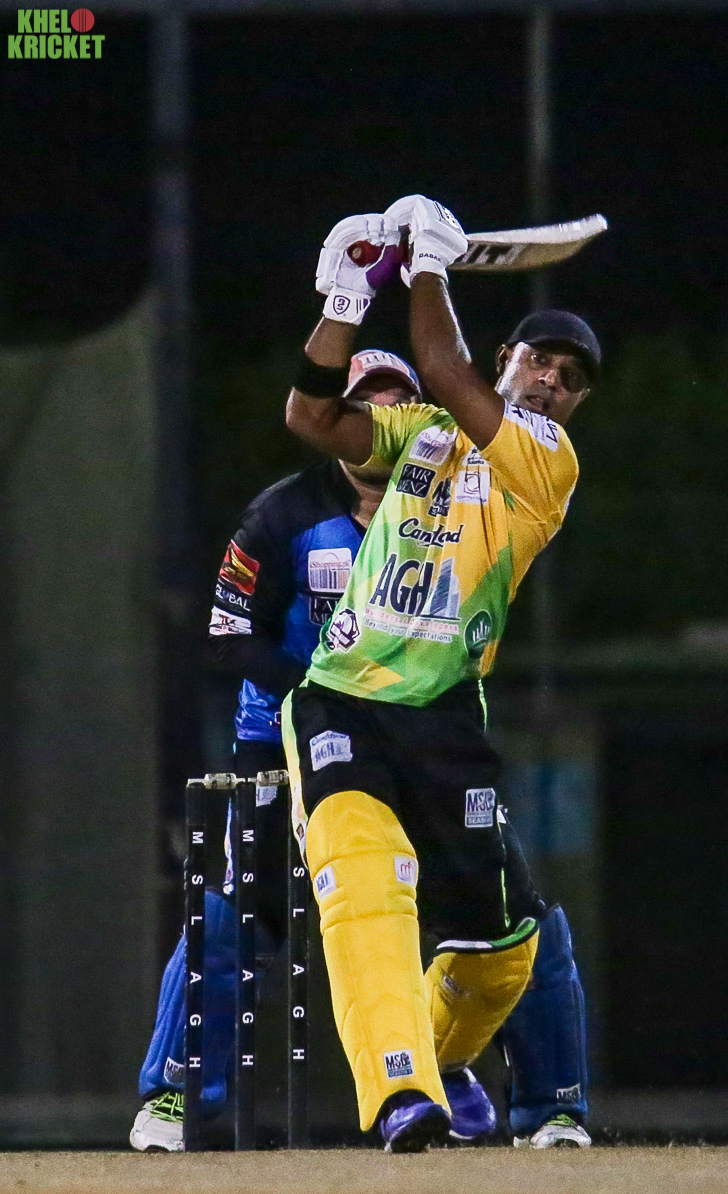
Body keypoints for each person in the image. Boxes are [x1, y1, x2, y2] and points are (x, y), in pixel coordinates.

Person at [130, 344, 590, 1150]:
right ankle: (174, 1095)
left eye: (393, 401)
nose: (378, 416)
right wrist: (327, 686)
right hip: (287, 739)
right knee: (239, 915)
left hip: (422, 736)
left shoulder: (455, 493)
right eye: (363, 401)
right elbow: (229, 633)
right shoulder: (285, 513)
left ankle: (537, 1101)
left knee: (513, 919)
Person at [282, 195, 598, 1152]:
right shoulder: (418, 429)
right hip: (342, 698)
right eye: (539, 362)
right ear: (509, 356)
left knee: (503, 950)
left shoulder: (546, 462)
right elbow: (311, 415)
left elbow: (446, 366)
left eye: (570, 380)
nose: (551, 383)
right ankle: (400, 1093)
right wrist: (344, 303)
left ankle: (441, 1054)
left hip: (445, 714)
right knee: (366, 886)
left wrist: (426, 263)